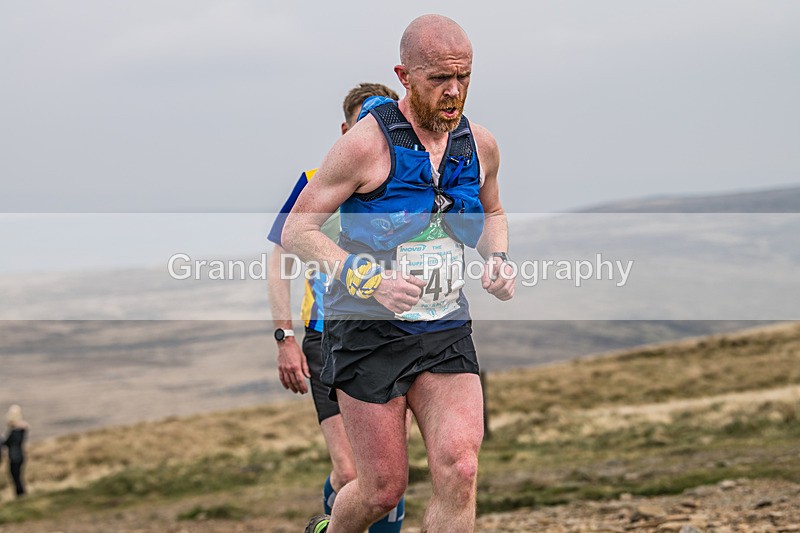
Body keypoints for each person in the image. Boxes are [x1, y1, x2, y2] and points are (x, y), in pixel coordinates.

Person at [285, 14, 515, 533]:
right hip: (367, 331)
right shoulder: (365, 145)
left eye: (464, 77)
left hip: (444, 325)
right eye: (439, 79)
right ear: (404, 75)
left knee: (461, 468)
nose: (453, 92)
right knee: (381, 489)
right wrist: (368, 279)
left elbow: (493, 213)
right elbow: (298, 230)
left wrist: (497, 258)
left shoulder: (480, 145)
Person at [267, 83, 409, 533]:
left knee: (385, 477)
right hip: (324, 336)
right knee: (350, 473)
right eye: (363, 124)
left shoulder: (407, 183)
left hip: (390, 336)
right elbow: (279, 258)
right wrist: (284, 336)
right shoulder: (314, 182)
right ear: (346, 131)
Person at [3, 405, 29, 497]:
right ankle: (21, 494)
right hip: (19, 456)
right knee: (17, 476)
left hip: (15, 457)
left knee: (15, 476)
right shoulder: (21, 431)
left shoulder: (15, 432)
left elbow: (7, 443)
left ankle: (20, 495)